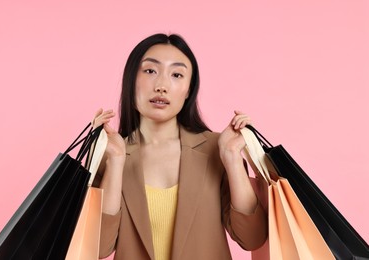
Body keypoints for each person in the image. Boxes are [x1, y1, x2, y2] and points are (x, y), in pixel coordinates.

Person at [91, 33, 267, 260]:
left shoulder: (215, 149)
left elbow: (252, 238)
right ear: (131, 80)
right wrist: (115, 160)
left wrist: (232, 157)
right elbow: (99, 248)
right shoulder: (110, 155)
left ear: (188, 90)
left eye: (176, 74)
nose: (162, 85)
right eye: (150, 71)